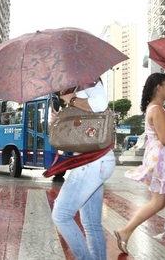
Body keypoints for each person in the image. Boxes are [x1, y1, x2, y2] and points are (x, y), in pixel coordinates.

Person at [116, 73, 165, 259]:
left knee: (159, 202)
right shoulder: (156, 110)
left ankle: (125, 231)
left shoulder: (162, 109)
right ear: (158, 87)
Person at [50, 81, 116, 260]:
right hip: (95, 160)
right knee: (91, 223)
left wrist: (70, 100)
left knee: (61, 215)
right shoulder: (79, 88)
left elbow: (99, 105)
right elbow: (67, 138)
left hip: (92, 161)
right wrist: (57, 121)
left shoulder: (88, 80)